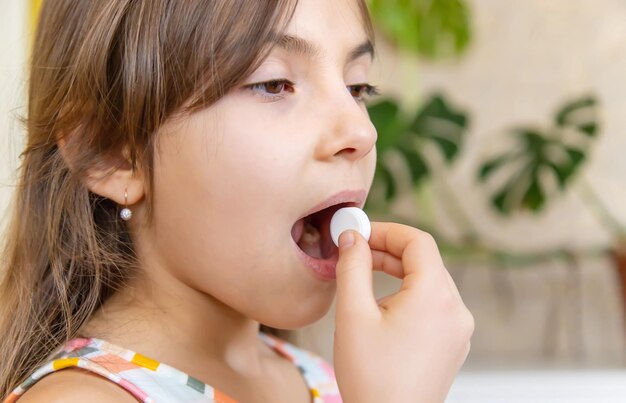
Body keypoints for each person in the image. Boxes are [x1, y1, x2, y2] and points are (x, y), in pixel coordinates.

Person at [0, 0, 474, 402]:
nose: (361, 131)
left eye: (357, 88)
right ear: (110, 153)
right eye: (273, 84)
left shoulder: (319, 379)